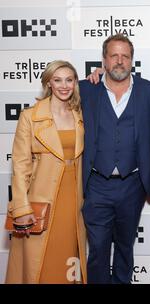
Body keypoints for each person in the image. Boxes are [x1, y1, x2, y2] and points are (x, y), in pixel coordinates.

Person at [79, 34, 150, 284]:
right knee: (98, 250)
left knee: (125, 248)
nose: (120, 61)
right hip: (96, 185)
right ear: (104, 60)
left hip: (132, 185)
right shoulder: (86, 89)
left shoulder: (149, 91)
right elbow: (55, 97)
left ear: (132, 60)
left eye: (125, 56)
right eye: (114, 56)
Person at [5, 60, 86, 284]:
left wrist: (99, 72)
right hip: (41, 201)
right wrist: (21, 208)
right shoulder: (30, 117)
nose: (64, 85)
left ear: (75, 83)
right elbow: (20, 166)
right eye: (57, 80)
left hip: (73, 202)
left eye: (69, 80)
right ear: (48, 82)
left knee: (69, 262)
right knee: (40, 264)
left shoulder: (80, 113)